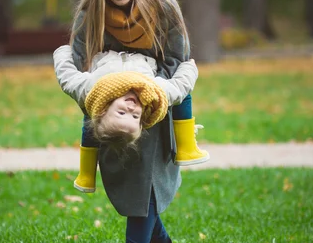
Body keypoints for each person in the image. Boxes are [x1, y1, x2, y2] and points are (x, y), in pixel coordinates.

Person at [57, 0, 207, 243]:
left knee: (148, 185)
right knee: (133, 184)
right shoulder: (89, 12)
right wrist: (106, 99)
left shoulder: (164, 5)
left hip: (153, 101)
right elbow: (79, 63)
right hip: (110, 108)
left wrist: (147, 95)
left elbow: (177, 60)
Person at [53, 45, 207, 193]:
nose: (131, 109)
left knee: (88, 114)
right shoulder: (155, 94)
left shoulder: (89, 89)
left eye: (121, 113)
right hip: (144, 51)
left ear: (103, 111)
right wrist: (189, 67)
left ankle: (86, 173)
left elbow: (66, 76)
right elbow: (180, 87)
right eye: (135, 116)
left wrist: (63, 51)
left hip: (106, 49)